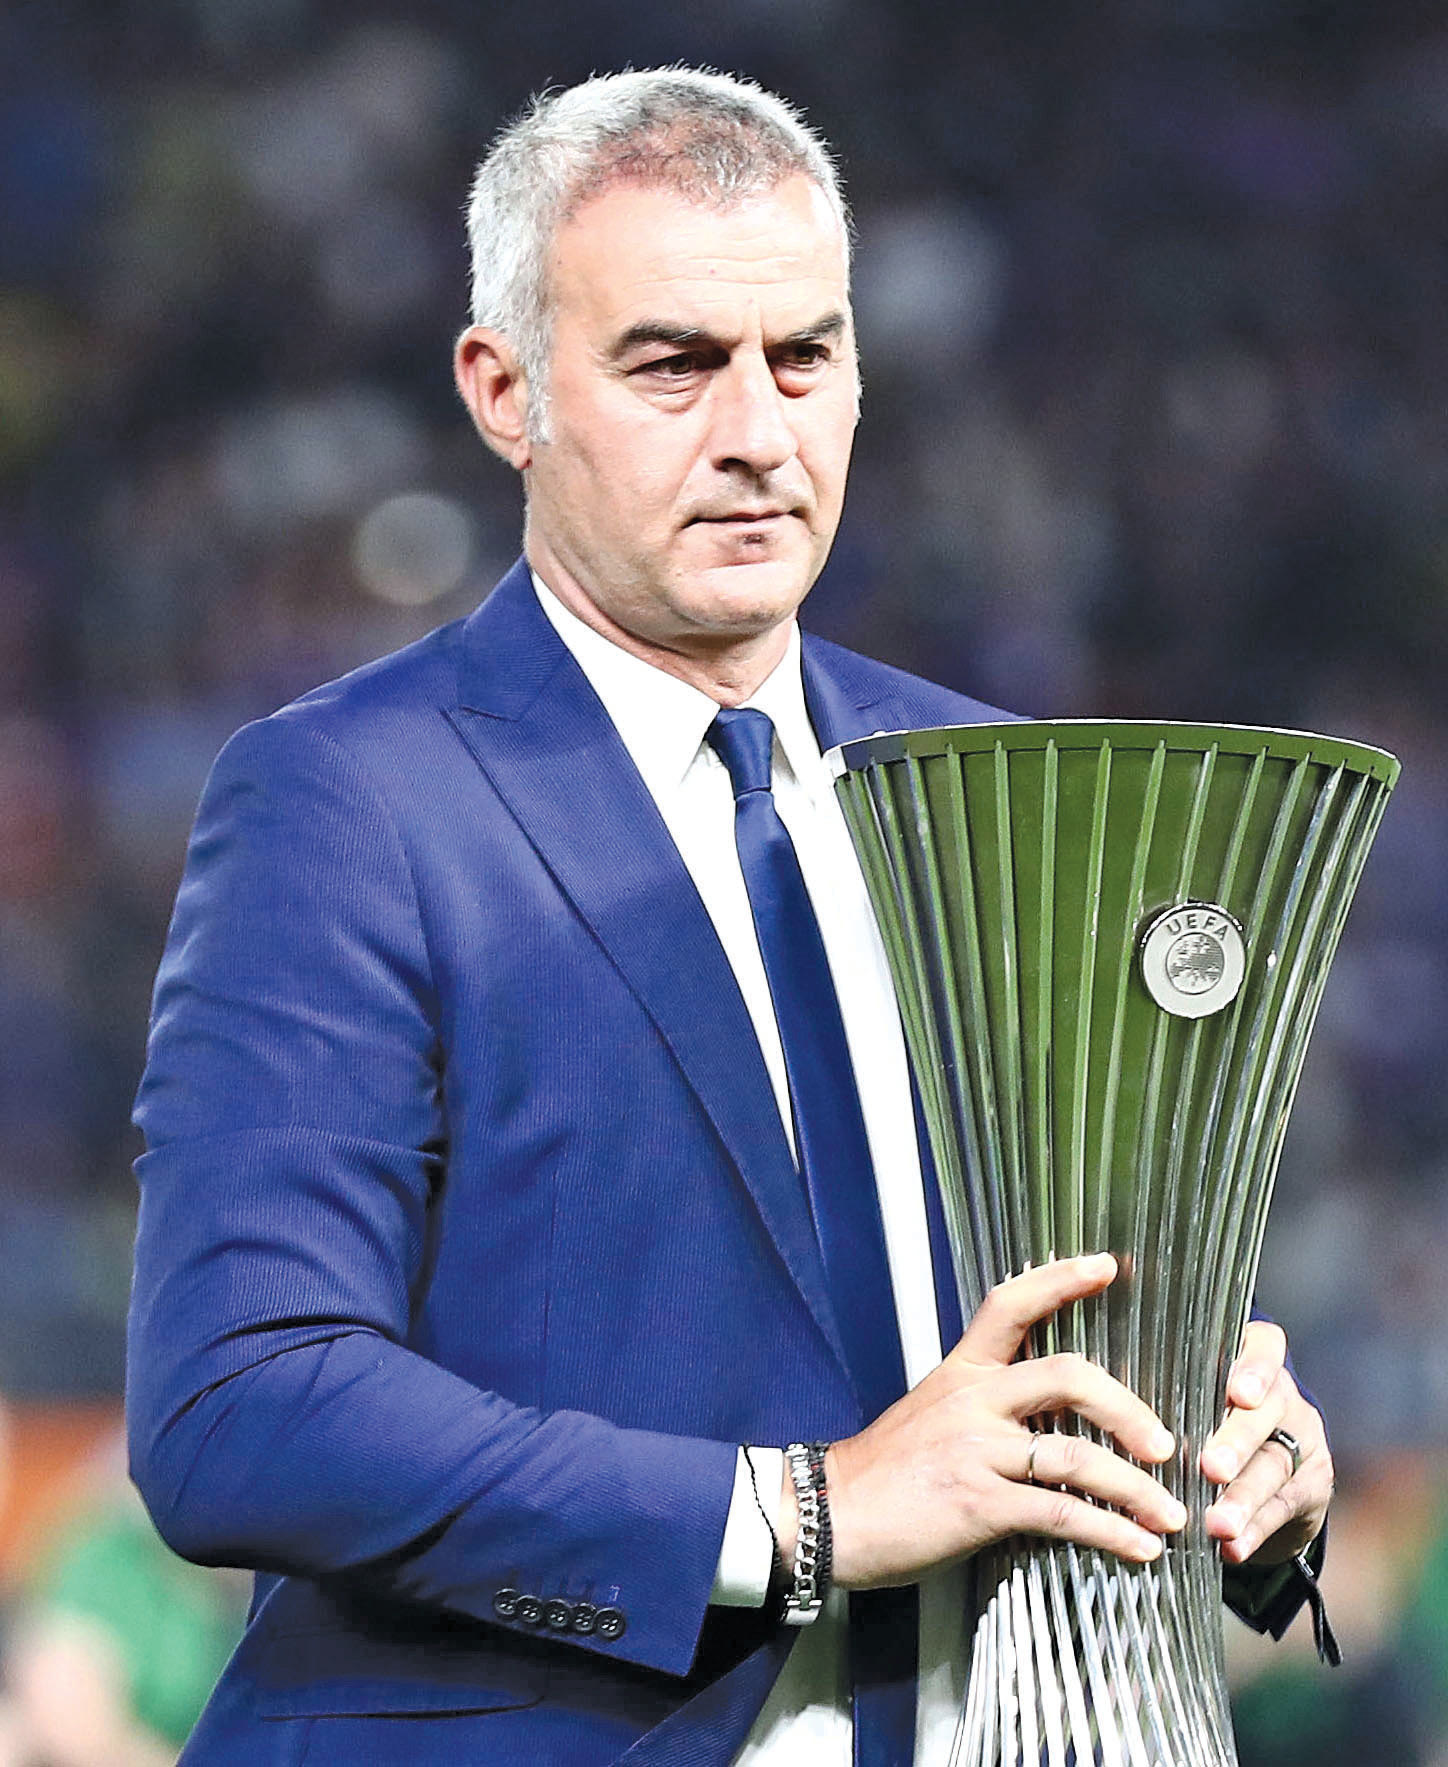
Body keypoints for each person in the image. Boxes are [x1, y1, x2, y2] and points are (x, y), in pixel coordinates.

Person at [126, 68, 1334, 1766]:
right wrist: (802, 1514)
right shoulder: (348, 799)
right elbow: (240, 1407)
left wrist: (1239, 1460)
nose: (760, 432)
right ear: (505, 391)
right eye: (674, 364)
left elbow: (1076, 1326)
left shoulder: (1001, 787)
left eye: (806, 357)